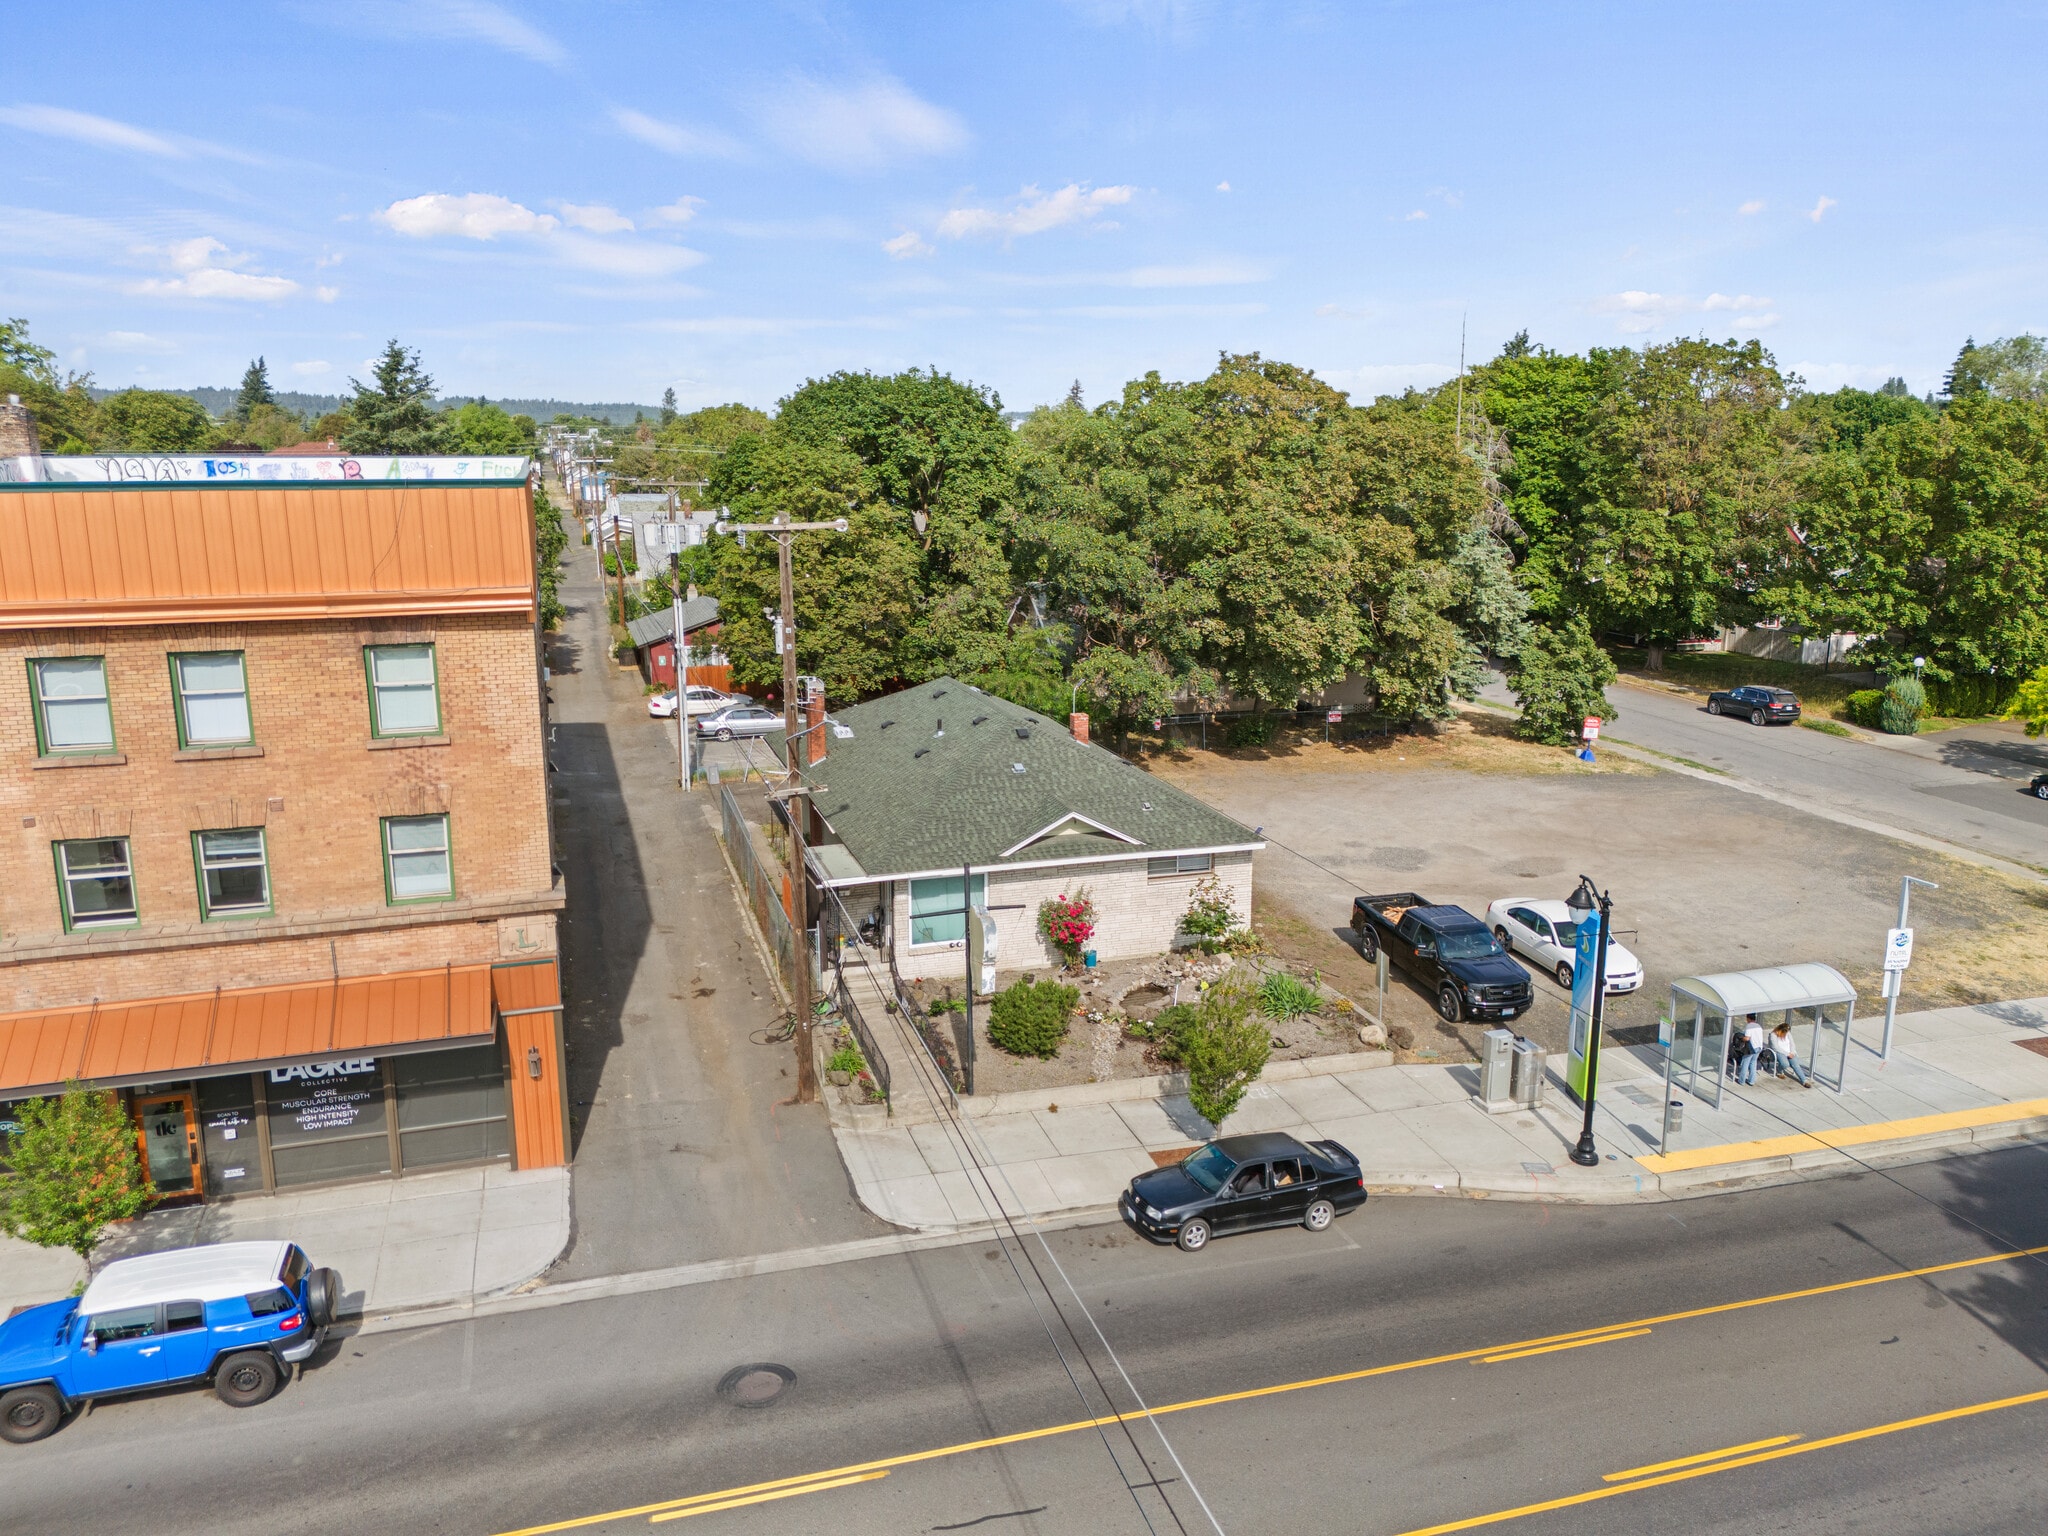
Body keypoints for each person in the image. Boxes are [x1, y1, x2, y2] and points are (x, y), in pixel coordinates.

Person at [1770, 1021, 1812, 1087]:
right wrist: (1787, 1054)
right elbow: (1775, 1047)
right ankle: (1779, 1070)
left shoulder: (1788, 1033)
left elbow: (1792, 1043)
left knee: (1796, 1065)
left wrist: (1792, 1052)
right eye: (1785, 1032)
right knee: (1785, 1064)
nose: (1786, 1033)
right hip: (1780, 1052)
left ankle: (1804, 1080)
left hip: (1790, 1052)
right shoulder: (1773, 1035)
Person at [1733, 1013, 1763, 1086]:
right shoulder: (1758, 1026)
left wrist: (1740, 1038)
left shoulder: (1749, 1026)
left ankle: (1741, 1081)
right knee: (1753, 1063)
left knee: (1745, 1063)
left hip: (1751, 1048)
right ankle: (1751, 1081)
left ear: (1748, 1018)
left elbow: (1747, 1038)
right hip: (1759, 1047)